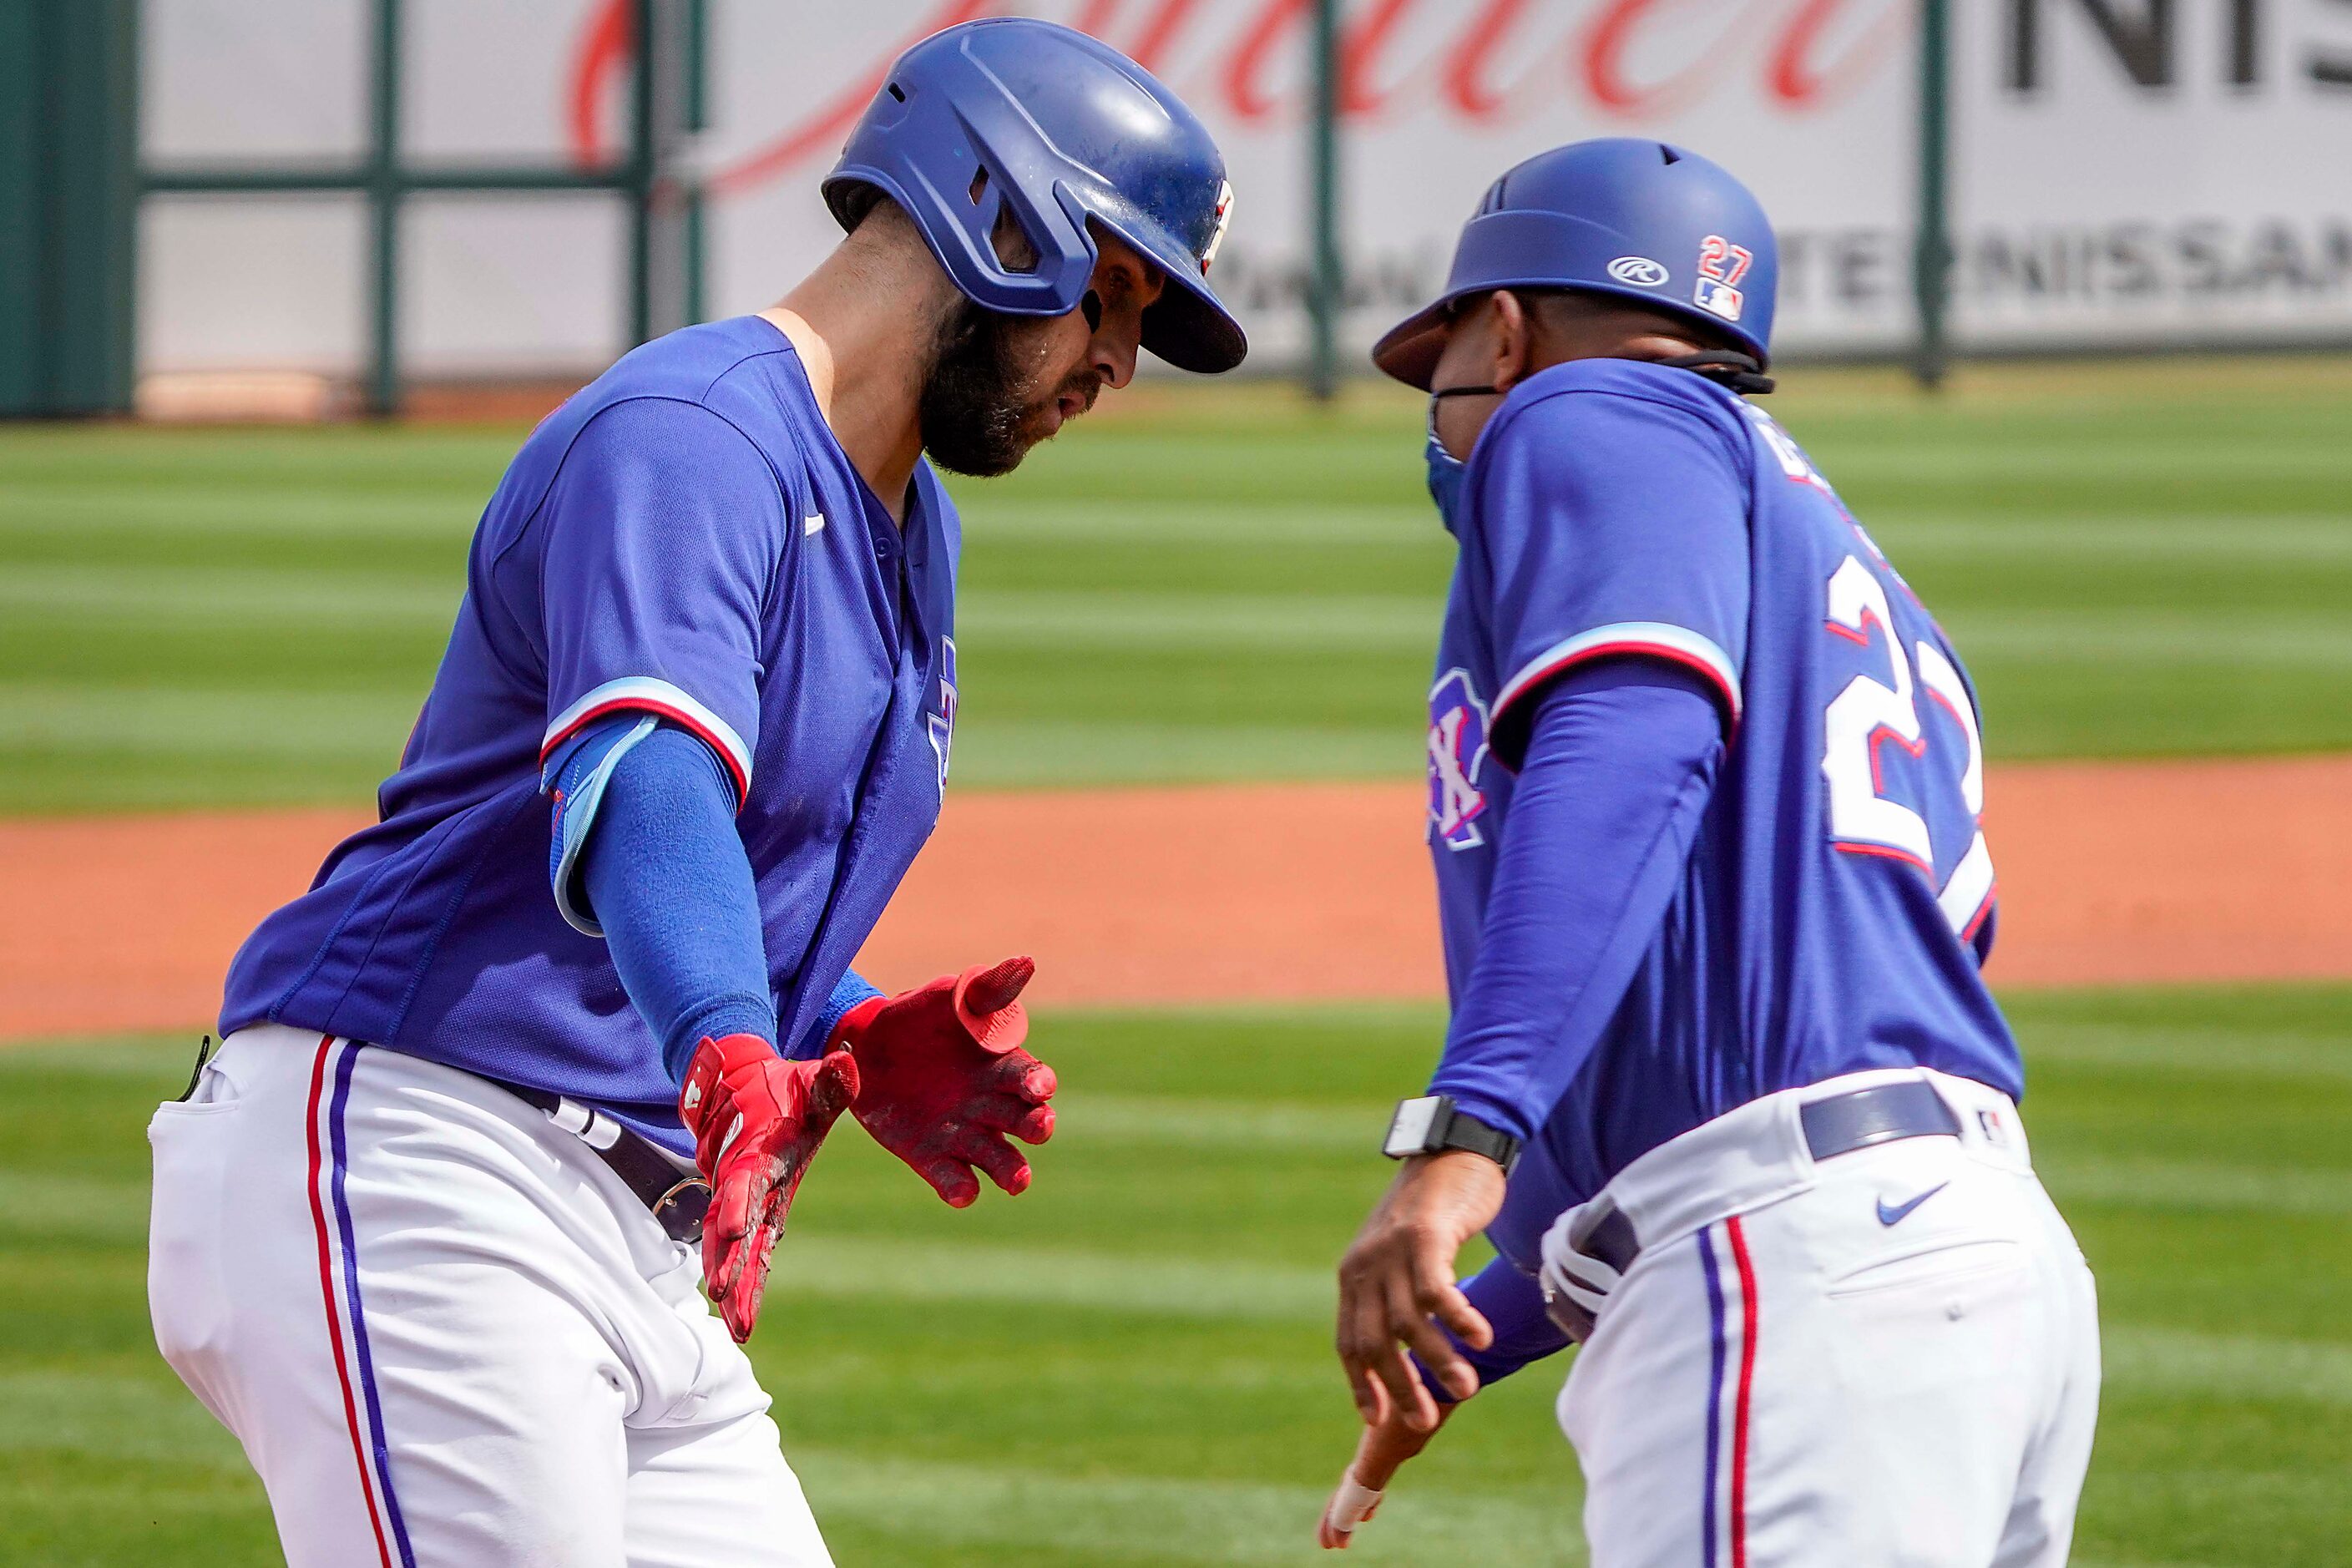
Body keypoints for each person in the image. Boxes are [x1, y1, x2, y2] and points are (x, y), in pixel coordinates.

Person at [144, 19, 1244, 1566]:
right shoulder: (694, 436)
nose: (1116, 367)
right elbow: (649, 785)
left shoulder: (906, 524)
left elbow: (728, 856)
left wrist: (838, 1019)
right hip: (418, 1162)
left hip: (630, 1237)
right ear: (1003, 219)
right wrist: (731, 1040)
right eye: (1113, 296)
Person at [1321, 139, 2099, 1565]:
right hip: (1982, 1266)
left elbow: (1625, 743)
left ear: (1505, 326)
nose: (1437, 415)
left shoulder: (1583, 410)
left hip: (1801, 1278)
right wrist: (1467, 1338)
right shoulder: (1837, 569)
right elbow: (1740, 1040)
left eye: (1439, 363)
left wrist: (1461, 1135)